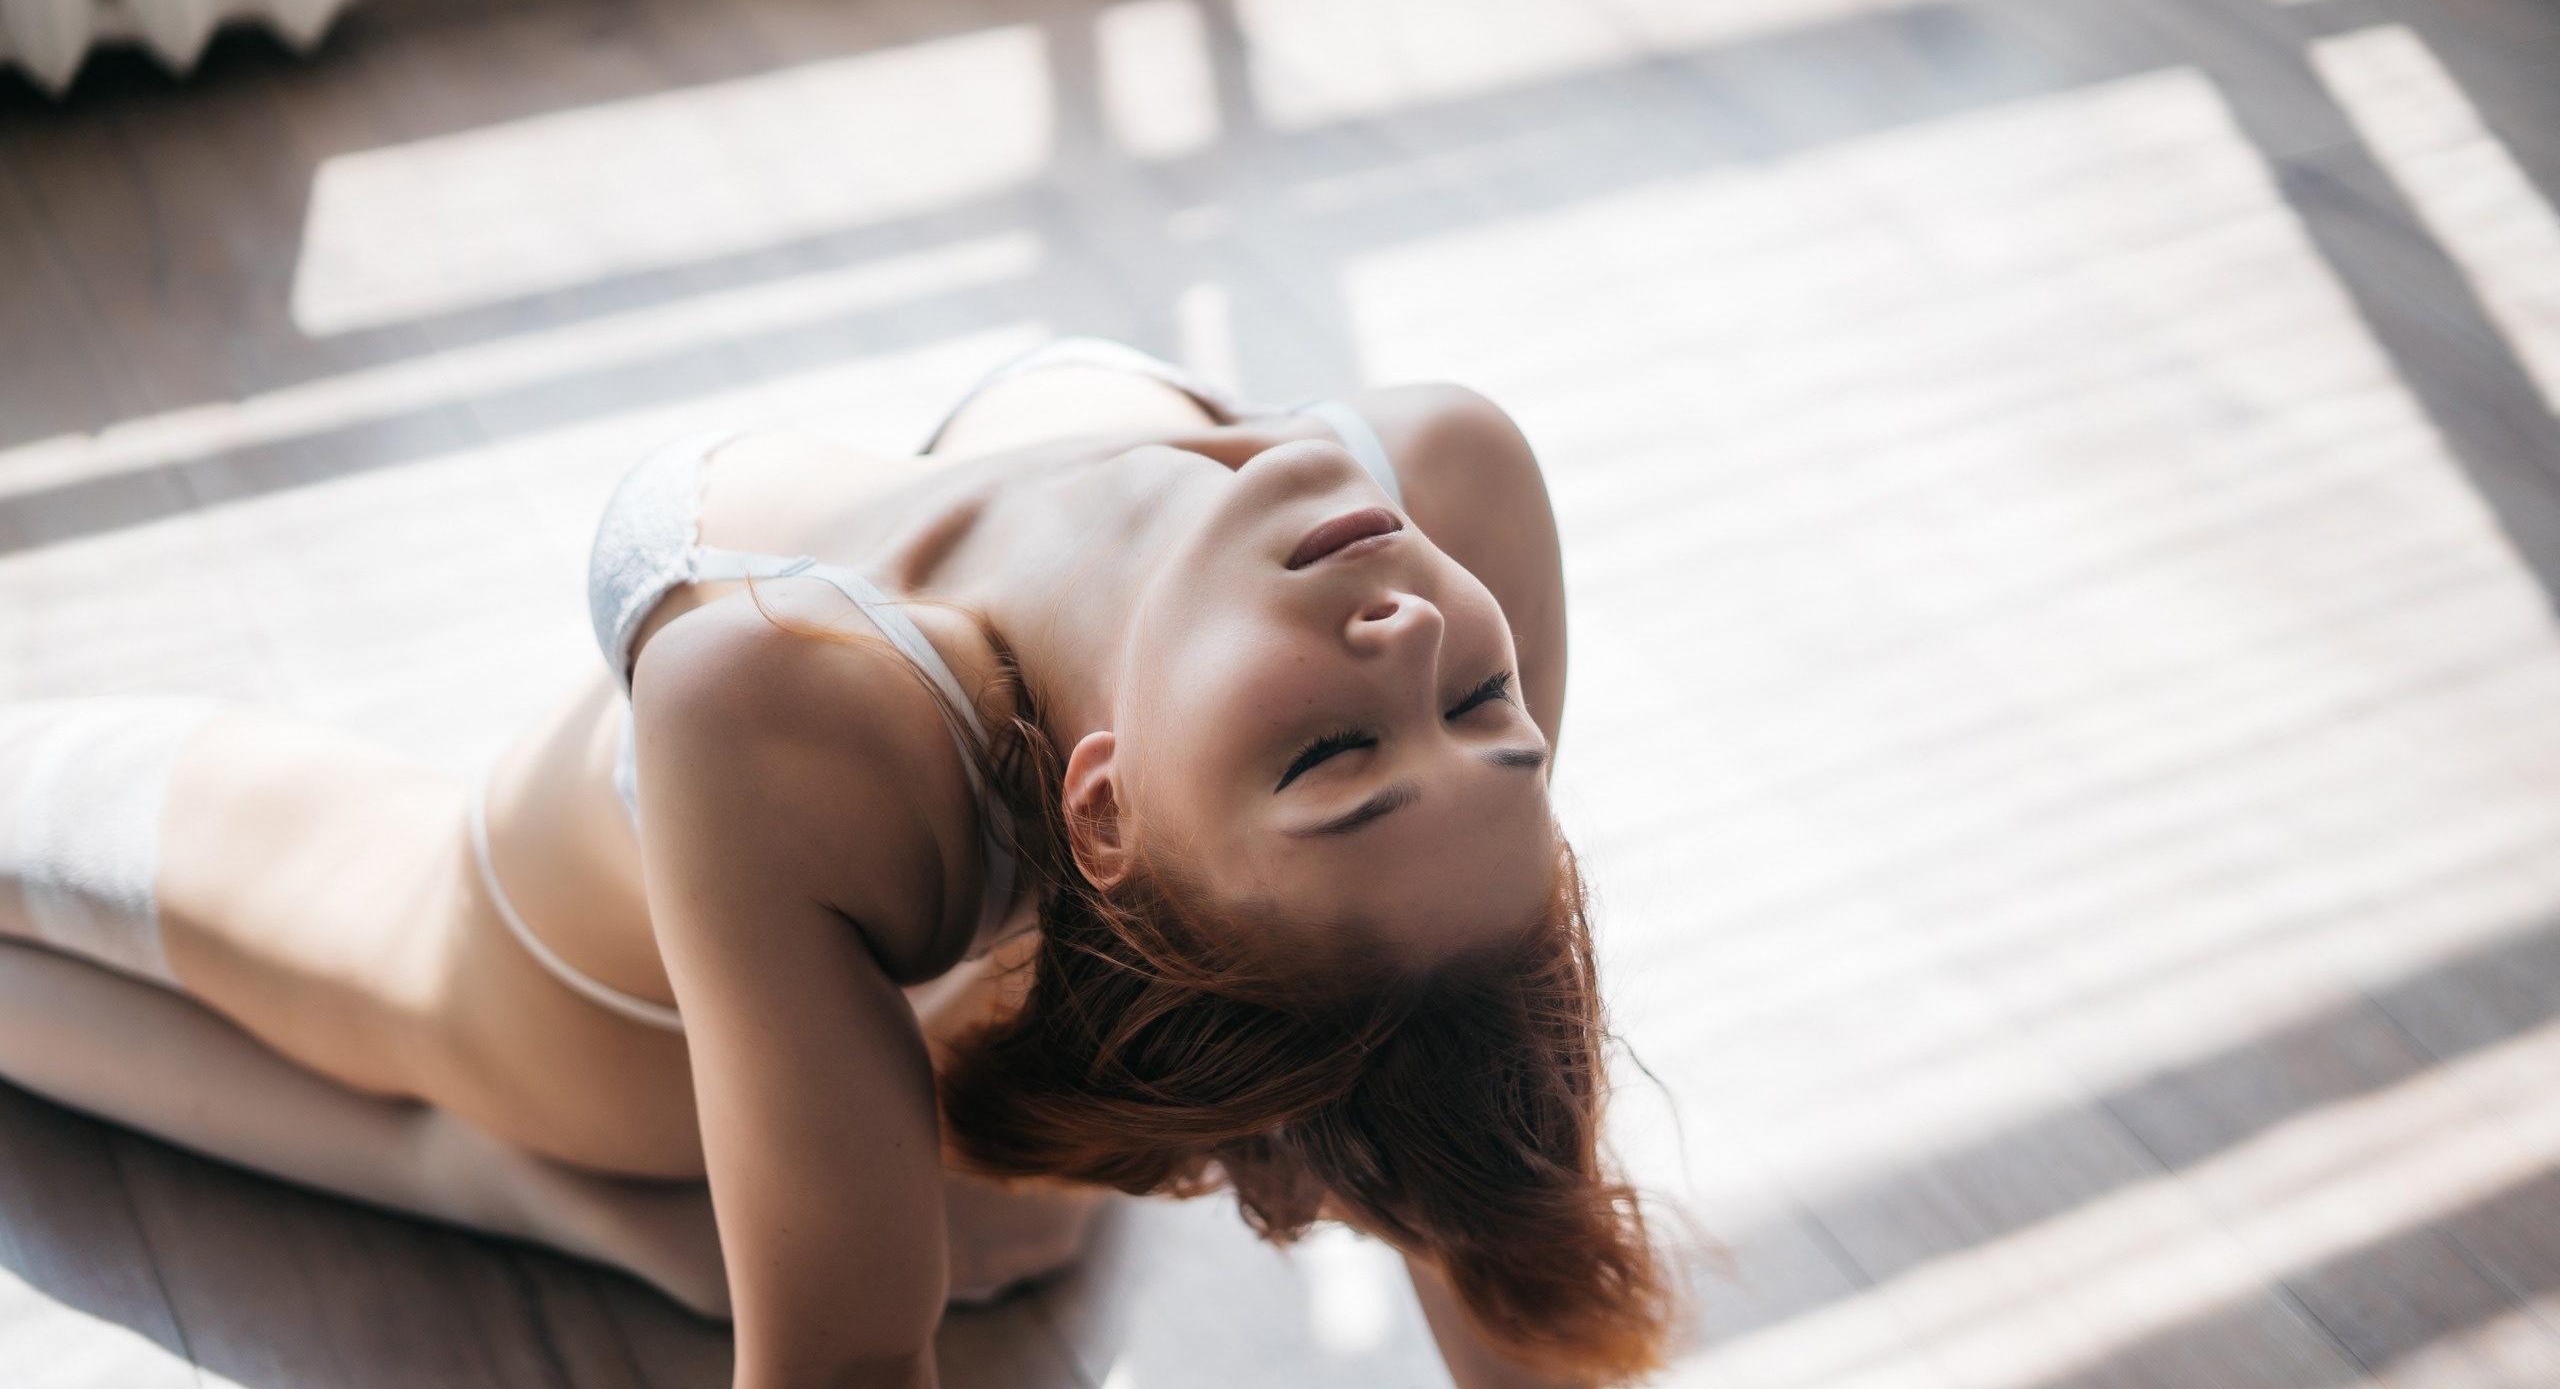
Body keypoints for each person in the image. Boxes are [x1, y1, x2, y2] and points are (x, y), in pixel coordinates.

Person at [0, 340, 1676, 1388]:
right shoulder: (1449, 482)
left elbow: (852, 1364)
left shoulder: (785, 704)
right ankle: (807, 1216)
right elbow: (1462, 1088)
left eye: (1329, 756)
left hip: (574, 1008)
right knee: (1000, 1243)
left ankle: (557, 1187)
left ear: (1107, 812)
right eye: (1482, 706)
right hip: (935, 1023)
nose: (1402, 640)